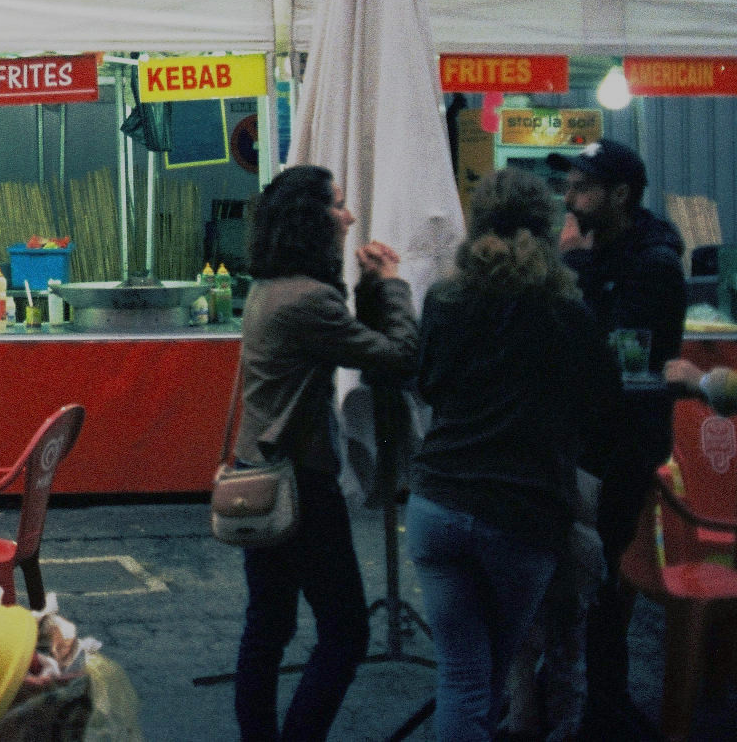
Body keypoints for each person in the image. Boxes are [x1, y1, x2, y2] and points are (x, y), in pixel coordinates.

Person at [405, 169, 619, 742]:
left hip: (437, 506)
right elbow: (601, 400)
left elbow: (425, 384)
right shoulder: (564, 311)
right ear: (548, 228)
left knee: (461, 678)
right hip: (520, 515)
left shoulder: (445, 299)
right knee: (487, 678)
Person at [233, 164, 418, 742]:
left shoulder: (271, 289)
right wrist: (390, 283)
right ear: (311, 221)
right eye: (337, 205)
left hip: (257, 472)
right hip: (301, 483)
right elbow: (396, 356)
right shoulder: (309, 299)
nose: (349, 215)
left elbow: (355, 343)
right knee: (345, 632)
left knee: (268, 626)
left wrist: (362, 290)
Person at [544, 140, 687, 740]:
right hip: (587, 446)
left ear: (620, 194)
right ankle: (591, 701)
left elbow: (618, 365)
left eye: (582, 186)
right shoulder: (594, 259)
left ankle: (605, 707)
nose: (569, 197)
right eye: (569, 185)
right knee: (586, 577)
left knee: (601, 579)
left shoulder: (651, 266)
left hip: (621, 448)